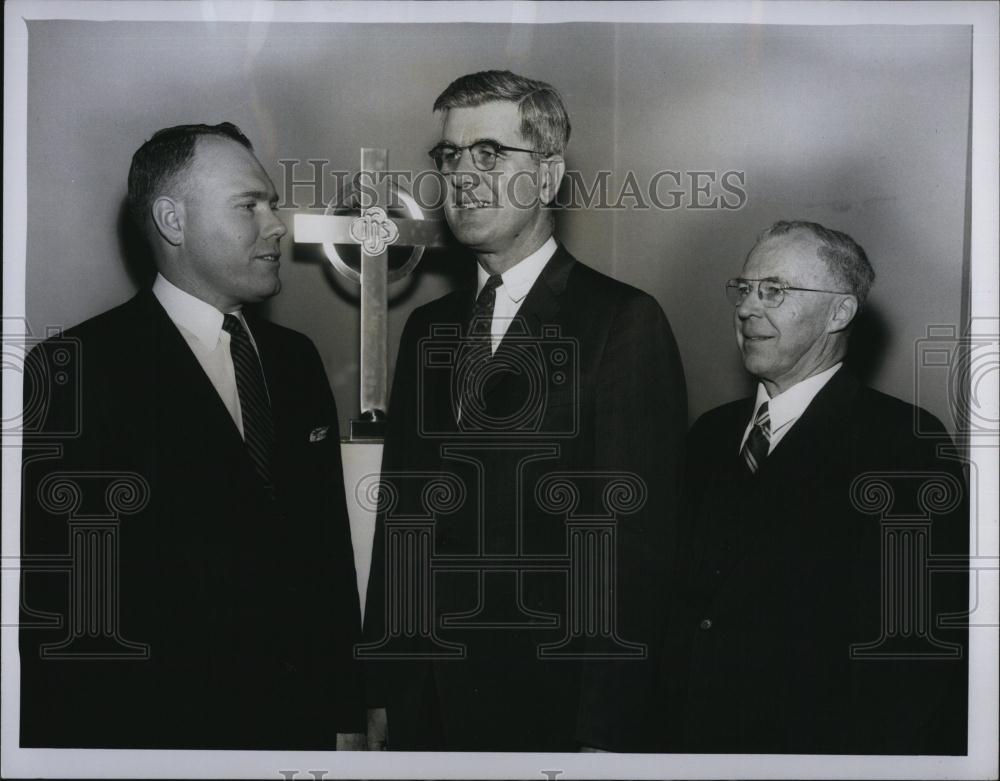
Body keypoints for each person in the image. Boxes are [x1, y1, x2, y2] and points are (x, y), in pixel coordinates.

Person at [362, 70, 687, 752]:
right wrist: (382, 691)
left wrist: (605, 733)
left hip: (550, 710)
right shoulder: (428, 327)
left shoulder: (621, 322)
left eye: (489, 154)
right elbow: (403, 523)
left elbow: (632, 554)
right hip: (427, 708)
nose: (464, 175)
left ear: (547, 175)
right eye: (450, 156)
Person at [19, 123, 365, 749]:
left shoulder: (295, 360)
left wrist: (346, 708)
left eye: (273, 203)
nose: (277, 225)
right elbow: (65, 604)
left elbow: (326, 554)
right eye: (248, 205)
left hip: (299, 733)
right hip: (160, 735)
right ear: (173, 221)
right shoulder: (77, 368)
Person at [660, 220, 968, 754]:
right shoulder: (709, 434)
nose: (748, 308)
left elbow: (916, 658)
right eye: (745, 289)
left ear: (840, 312)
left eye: (774, 290)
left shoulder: (902, 446)